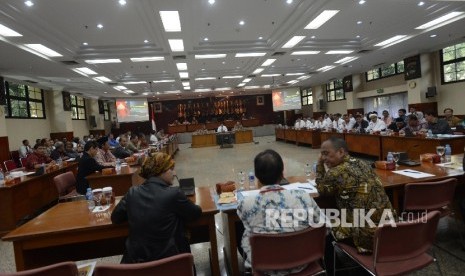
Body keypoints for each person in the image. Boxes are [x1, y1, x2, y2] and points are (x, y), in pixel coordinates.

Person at [237, 149, 323, 274]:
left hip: (266, 268)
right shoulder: (303, 196)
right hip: (303, 263)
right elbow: (322, 226)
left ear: (256, 176)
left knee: (240, 228)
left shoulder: (246, 203)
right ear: (282, 174)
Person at [111, 152, 202, 263]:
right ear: (159, 171)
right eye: (171, 169)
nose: (174, 173)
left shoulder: (132, 192)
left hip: (137, 266)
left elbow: (115, 218)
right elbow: (196, 213)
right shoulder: (173, 194)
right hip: (170, 264)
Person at [315, 137, 396, 253]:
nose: (323, 158)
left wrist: (319, 165)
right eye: (321, 155)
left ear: (341, 152)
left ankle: (338, 268)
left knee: (323, 224)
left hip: (367, 236)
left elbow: (321, 190)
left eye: (326, 154)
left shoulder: (335, 172)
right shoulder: (363, 163)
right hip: (389, 228)